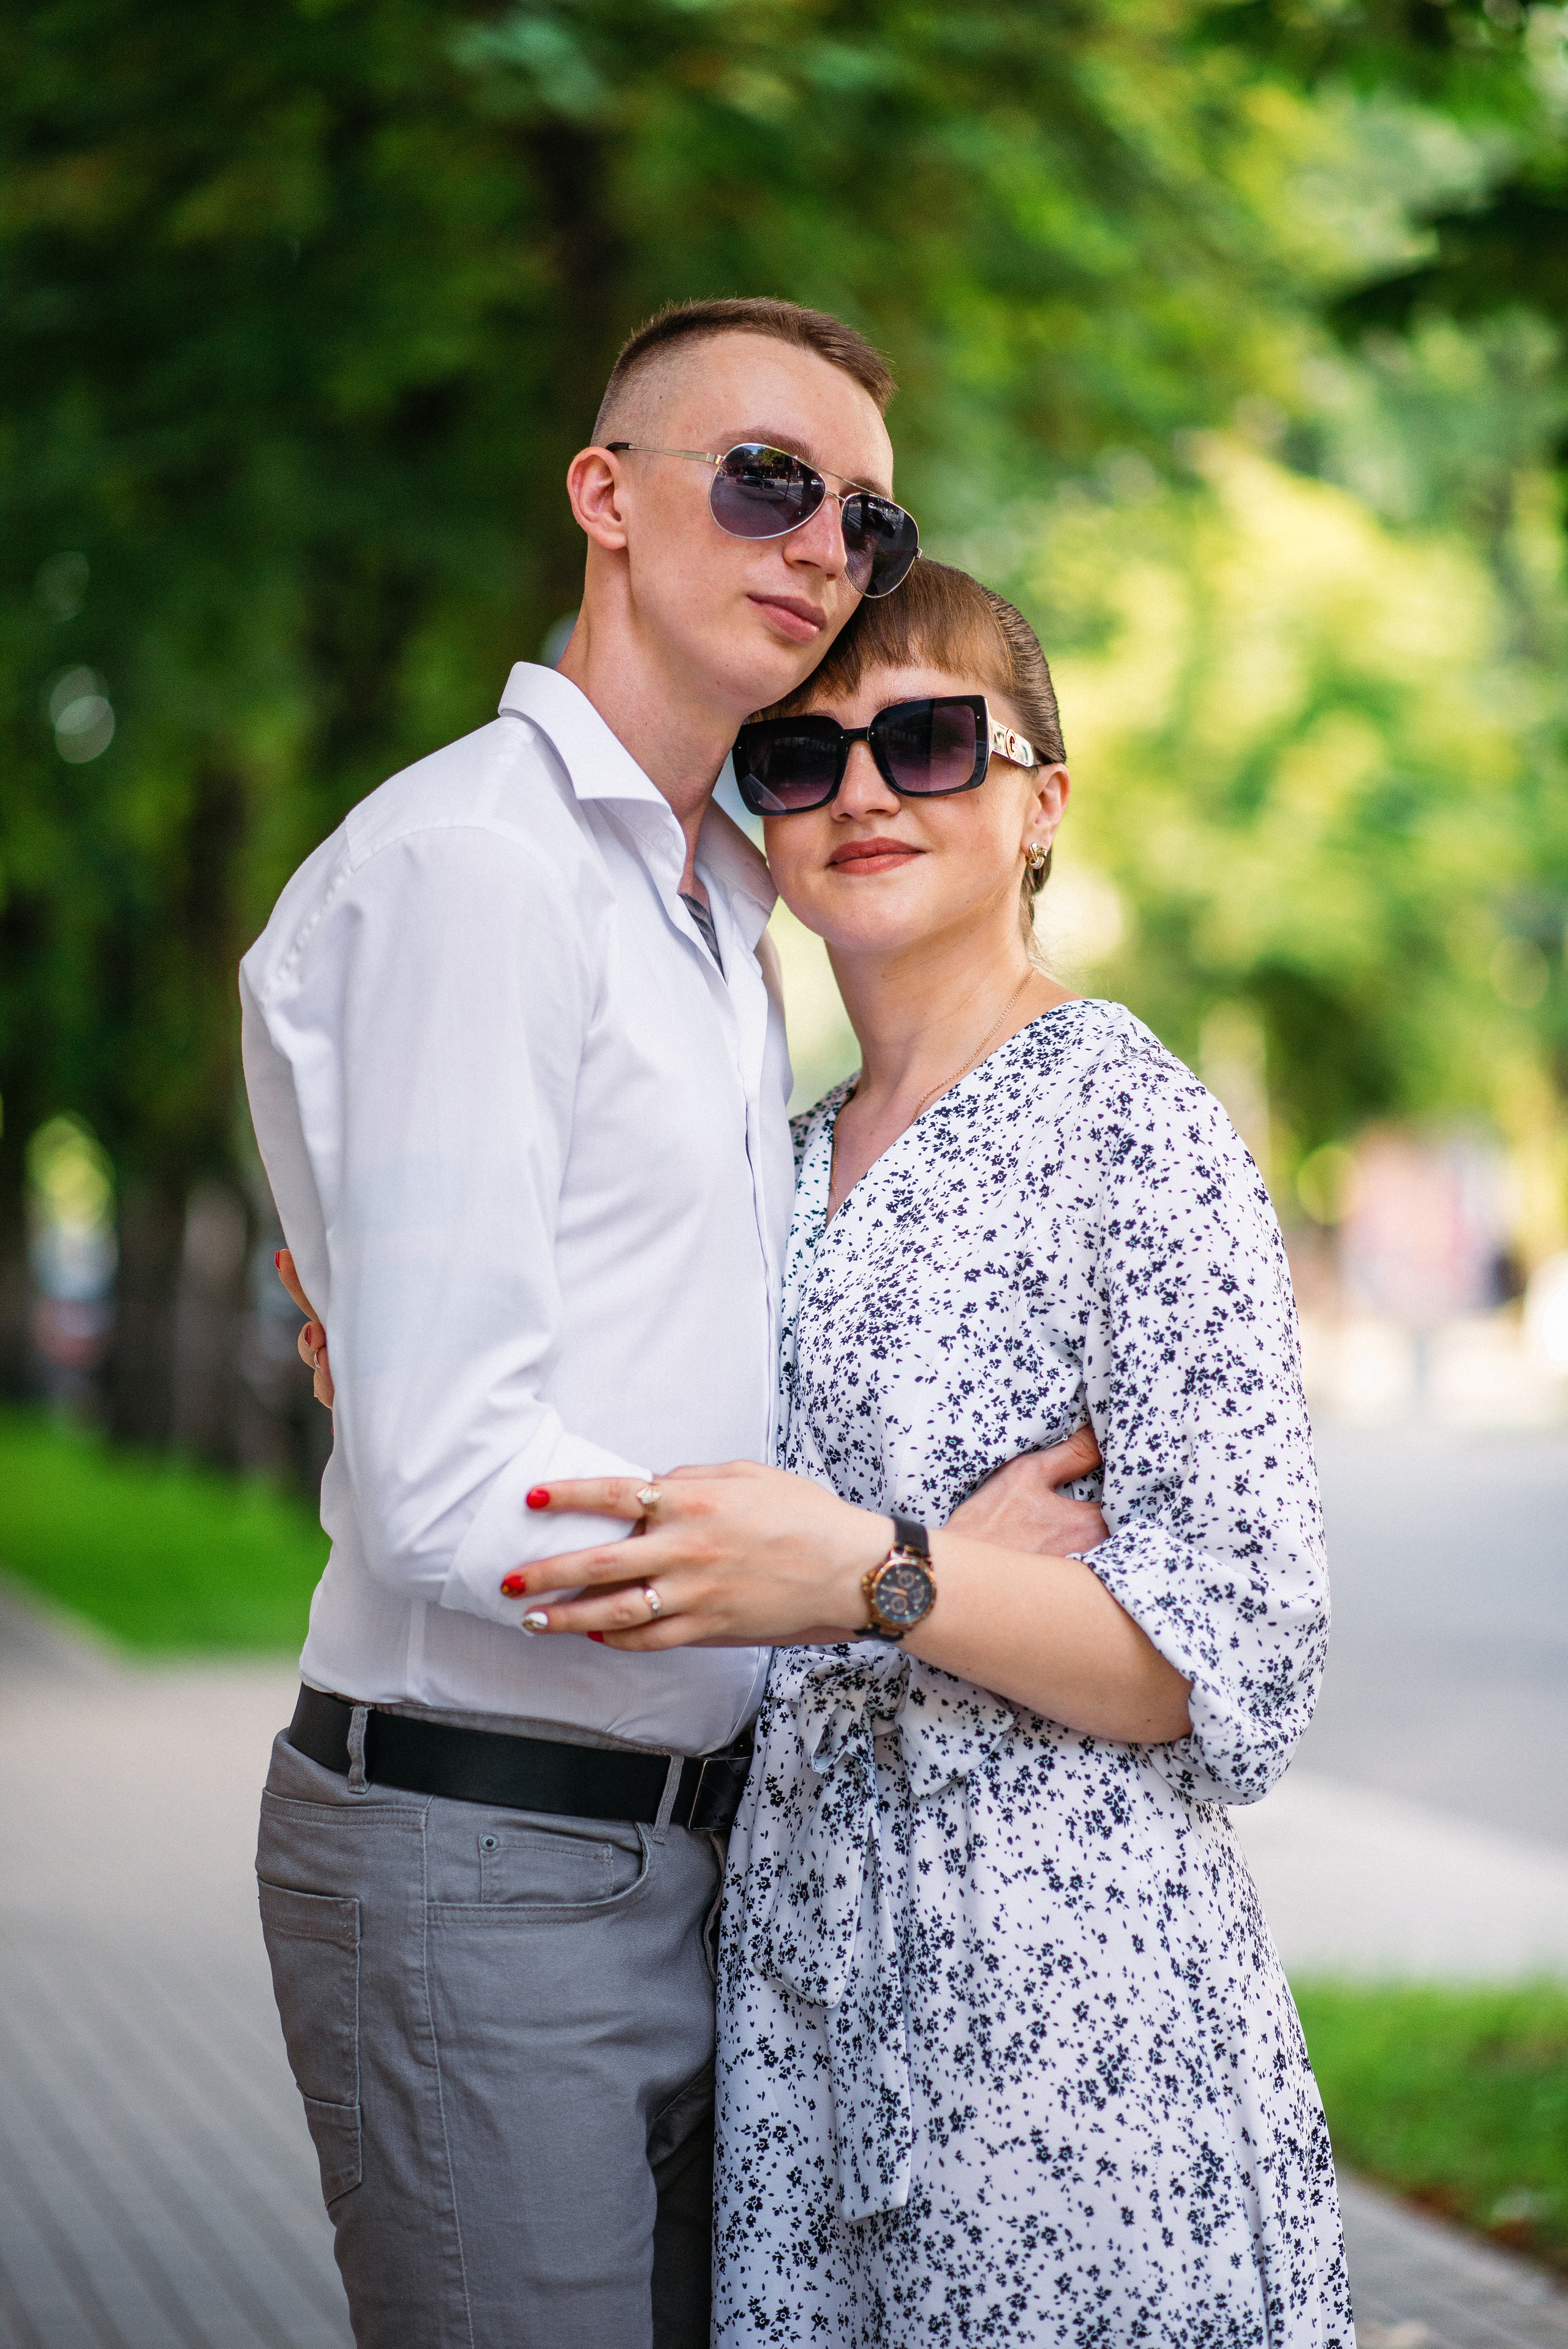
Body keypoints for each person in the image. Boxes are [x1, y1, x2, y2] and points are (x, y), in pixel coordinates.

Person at [512, 558, 1354, 2344]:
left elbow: (1238, 1656)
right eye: (802, 756)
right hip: (796, 2022)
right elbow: (675, 1528)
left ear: (1042, 796)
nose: (865, 788)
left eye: (927, 738)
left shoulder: (1134, 1125)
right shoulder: (768, 1156)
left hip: (1071, 2040)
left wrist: (885, 1572)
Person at [241, 295, 950, 2349]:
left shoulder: (722, 904)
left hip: (689, 1871)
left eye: (869, 527)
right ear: (604, 499)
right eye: (767, 481)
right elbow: (450, 1483)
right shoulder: (486, 865)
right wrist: (854, 1580)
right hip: (481, 1857)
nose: (824, 545)